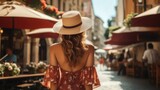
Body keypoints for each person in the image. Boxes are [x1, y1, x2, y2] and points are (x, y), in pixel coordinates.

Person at [42, 11, 100, 90]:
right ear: (82, 30)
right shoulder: (90, 49)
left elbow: (53, 82)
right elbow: (88, 83)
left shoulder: (53, 49)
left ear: (63, 31)